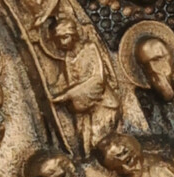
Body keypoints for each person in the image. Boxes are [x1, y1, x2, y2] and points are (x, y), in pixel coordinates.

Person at [45, 10, 119, 155]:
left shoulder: (89, 48)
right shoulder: (67, 58)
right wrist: (50, 93)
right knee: (85, 148)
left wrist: (68, 94)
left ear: (74, 35)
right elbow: (63, 81)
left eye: (65, 37)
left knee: (100, 147)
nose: (61, 43)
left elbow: (98, 78)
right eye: (57, 40)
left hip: (102, 105)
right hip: (82, 109)